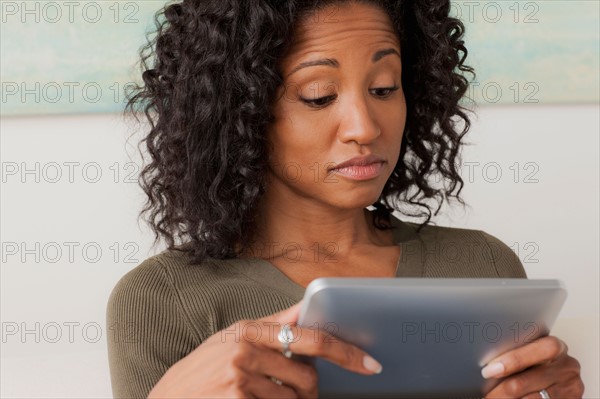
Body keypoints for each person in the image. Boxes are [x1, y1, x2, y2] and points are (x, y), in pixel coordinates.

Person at [106, 0, 584, 398]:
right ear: (240, 110)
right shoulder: (162, 301)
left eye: (383, 88)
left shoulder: (484, 266)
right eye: (318, 96)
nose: (365, 127)